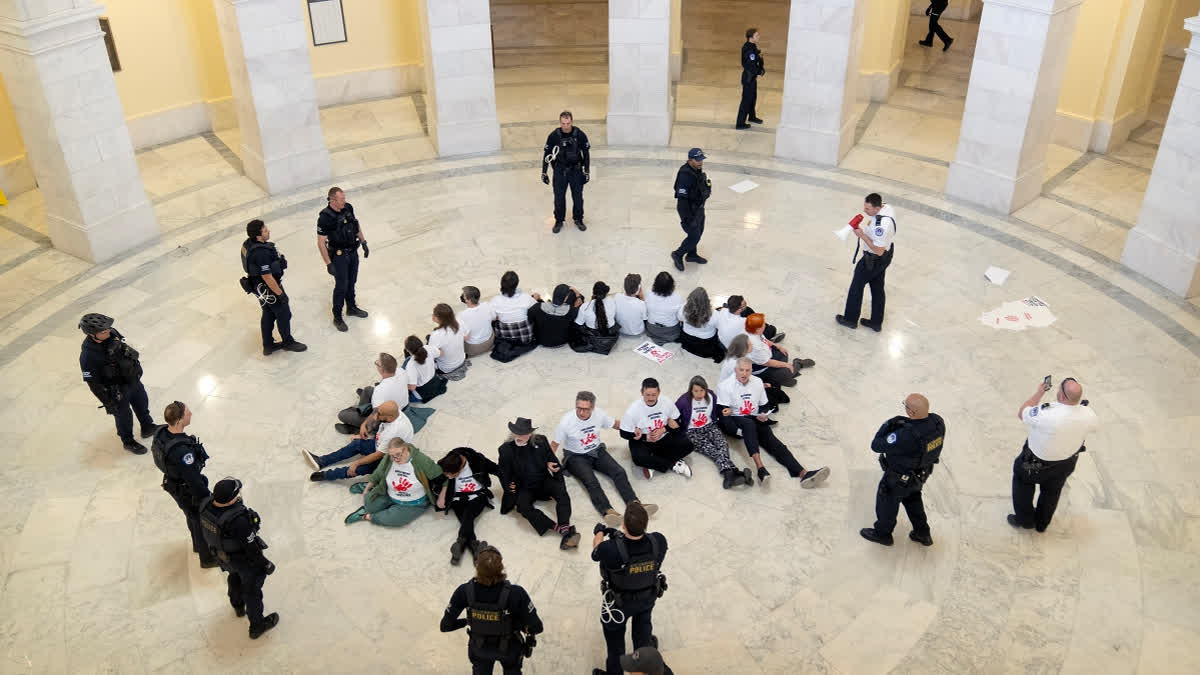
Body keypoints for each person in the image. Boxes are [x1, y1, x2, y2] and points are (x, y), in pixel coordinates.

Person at [717, 358, 830, 486]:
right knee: (748, 426)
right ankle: (761, 468)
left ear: (751, 370)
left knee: (774, 442)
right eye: (741, 370)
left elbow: (764, 405)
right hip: (734, 420)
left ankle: (803, 474)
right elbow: (723, 415)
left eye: (747, 370)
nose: (744, 373)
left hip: (753, 417)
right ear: (735, 370)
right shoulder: (725, 386)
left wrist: (763, 415)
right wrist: (739, 431)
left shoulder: (757, 382)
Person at [552, 391, 658, 526]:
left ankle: (635, 504)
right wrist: (548, 461)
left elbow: (615, 424)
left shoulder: (599, 414)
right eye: (579, 408)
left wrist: (633, 429)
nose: (581, 412)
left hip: (596, 451)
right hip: (575, 456)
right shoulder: (566, 421)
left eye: (585, 409)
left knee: (619, 471)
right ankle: (608, 511)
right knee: (591, 481)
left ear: (593, 408)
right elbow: (554, 445)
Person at [1009, 376, 1098, 532]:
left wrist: (1039, 393)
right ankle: (1042, 523)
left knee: (1022, 479)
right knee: (1052, 491)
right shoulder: (1089, 415)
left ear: (1062, 395)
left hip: (1035, 463)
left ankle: (1026, 520)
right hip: (1065, 464)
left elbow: (1022, 412)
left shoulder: (1046, 414)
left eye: (1060, 387)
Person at [441, 545, 544, 675]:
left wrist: (467, 621)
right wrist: (515, 624)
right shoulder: (516, 593)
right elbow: (537, 627)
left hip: (479, 649)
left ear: (477, 567)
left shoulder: (464, 591)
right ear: (501, 567)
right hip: (510, 649)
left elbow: (445, 626)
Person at [591, 503, 668, 675]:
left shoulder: (610, 549)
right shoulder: (659, 542)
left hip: (617, 605)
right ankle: (644, 657)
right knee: (643, 633)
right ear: (646, 524)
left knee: (615, 646)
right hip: (647, 598)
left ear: (624, 525)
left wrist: (599, 532)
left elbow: (596, 552)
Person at [860, 394, 946, 547]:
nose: (904, 408)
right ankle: (922, 533)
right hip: (921, 474)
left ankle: (882, 534)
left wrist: (887, 425)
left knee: (887, 502)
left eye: (905, 406)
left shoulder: (907, 434)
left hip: (898, 478)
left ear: (912, 413)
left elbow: (876, 445)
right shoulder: (938, 423)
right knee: (913, 499)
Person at [198, 477, 279, 639]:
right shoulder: (238, 520)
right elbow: (252, 549)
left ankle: (238, 605)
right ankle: (257, 625)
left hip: (222, 555)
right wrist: (266, 564)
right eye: (237, 493)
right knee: (252, 590)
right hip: (242, 559)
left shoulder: (205, 505)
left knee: (234, 576)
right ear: (231, 500)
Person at [78, 313, 159, 454]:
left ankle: (147, 426)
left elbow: (123, 345)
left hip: (132, 379)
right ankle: (128, 441)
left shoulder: (112, 332)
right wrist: (108, 403)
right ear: (92, 334)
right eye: (104, 331)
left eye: (108, 328)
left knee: (142, 403)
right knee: (124, 417)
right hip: (116, 390)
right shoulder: (87, 356)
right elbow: (93, 384)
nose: (108, 331)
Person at [498, 417, 581, 549]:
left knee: (562, 493)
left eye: (523, 434)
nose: (519, 436)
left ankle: (564, 526)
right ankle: (558, 529)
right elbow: (503, 472)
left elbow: (552, 460)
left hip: (543, 480)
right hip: (524, 486)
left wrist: (558, 481)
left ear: (530, 434)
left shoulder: (541, 441)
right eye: (516, 433)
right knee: (523, 507)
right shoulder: (505, 449)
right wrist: (508, 487)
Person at [151, 401, 217, 567]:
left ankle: (196, 545)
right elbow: (193, 480)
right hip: (186, 489)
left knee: (191, 516)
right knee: (200, 518)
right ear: (180, 420)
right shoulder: (182, 452)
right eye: (188, 412)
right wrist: (206, 499)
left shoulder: (161, 433)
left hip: (173, 485)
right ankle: (207, 558)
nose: (191, 413)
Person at [240, 219, 307, 355]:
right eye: (265, 230)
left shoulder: (249, 244)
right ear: (258, 235)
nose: (268, 231)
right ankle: (288, 342)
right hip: (268, 288)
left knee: (268, 314)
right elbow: (267, 276)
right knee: (284, 313)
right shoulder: (261, 253)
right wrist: (280, 294)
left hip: (258, 287)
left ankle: (268, 345)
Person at [305, 400, 412, 481]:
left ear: (389, 417)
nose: (376, 415)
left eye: (380, 414)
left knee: (355, 469)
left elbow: (378, 455)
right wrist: (364, 425)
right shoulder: (393, 411)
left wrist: (357, 463)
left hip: (388, 458)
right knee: (357, 444)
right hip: (380, 444)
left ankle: (326, 475)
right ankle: (322, 461)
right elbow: (376, 412)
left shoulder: (394, 431)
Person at [675, 376, 753, 489]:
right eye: (695, 391)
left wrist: (728, 410)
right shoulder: (684, 401)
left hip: (710, 426)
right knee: (711, 450)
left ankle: (731, 476)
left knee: (723, 445)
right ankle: (735, 473)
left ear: (706, 389)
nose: (699, 394)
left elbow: (719, 408)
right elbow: (673, 414)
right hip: (692, 432)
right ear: (690, 390)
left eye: (702, 390)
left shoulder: (711, 395)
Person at [837, 193, 897, 332]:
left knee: (856, 287)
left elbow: (878, 250)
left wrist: (862, 235)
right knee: (877, 288)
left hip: (873, 259)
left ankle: (850, 319)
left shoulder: (881, 225)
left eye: (868, 209)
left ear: (877, 208)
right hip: (886, 256)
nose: (865, 210)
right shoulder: (887, 207)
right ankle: (876, 322)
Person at [344, 438, 439, 527]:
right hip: (389, 493)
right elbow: (379, 472)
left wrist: (442, 497)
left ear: (406, 449)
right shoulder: (390, 458)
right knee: (369, 504)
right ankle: (370, 490)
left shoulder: (421, 460)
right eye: (393, 456)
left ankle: (366, 516)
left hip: (413, 503)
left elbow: (440, 475)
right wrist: (368, 488)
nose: (396, 459)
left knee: (395, 519)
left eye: (399, 454)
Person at [433, 447, 502, 565]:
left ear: (460, 468)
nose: (449, 477)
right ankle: (475, 549)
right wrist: (443, 491)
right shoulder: (447, 463)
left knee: (468, 516)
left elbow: (497, 470)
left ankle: (461, 544)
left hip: (477, 495)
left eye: (452, 475)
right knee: (466, 519)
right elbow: (438, 481)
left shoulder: (477, 460)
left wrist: (511, 484)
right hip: (457, 498)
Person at [619, 378, 694, 480]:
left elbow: (677, 420)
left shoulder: (666, 402)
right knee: (637, 458)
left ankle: (653, 463)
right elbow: (623, 433)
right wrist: (645, 437)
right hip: (644, 441)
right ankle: (673, 463)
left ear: (659, 392)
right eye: (647, 395)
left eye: (654, 395)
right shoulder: (633, 409)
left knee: (688, 445)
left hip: (664, 436)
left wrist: (664, 429)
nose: (650, 398)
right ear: (642, 392)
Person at [317, 186, 369, 332]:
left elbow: (356, 225)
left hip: (352, 252)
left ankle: (351, 307)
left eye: (344, 198)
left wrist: (363, 242)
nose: (344, 201)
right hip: (339, 256)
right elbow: (321, 242)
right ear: (332, 200)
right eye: (341, 199)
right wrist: (328, 263)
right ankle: (337, 317)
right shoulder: (324, 217)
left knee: (352, 281)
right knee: (341, 286)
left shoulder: (348, 208)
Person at [334, 352, 410, 434]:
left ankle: (356, 428)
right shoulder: (401, 371)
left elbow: (375, 416)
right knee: (368, 389)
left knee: (342, 415)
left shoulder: (380, 390)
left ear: (381, 369)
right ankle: (362, 410)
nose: (376, 363)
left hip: (388, 419)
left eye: (377, 363)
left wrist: (365, 424)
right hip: (401, 408)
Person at [542, 111, 591, 233]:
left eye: (568, 123)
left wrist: (587, 171)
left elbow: (586, 154)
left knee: (578, 197)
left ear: (572, 122)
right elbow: (547, 154)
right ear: (560, 122)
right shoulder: (554, 136)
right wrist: (544, 172)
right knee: (559, 198)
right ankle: (559, 220)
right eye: (563, 123)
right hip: (560, 171)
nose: (566, 126)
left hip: (576, 171)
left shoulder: (580, 135)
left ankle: (578, 219)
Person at [720, 334, 789, 411]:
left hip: (741, 382)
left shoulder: (740, 356)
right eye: (750, 344)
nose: (752, 345)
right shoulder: (736, 364)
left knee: (774, 385)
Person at [670, 148, 711, 271]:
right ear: (690, 160)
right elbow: (682, 200)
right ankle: (677, 254)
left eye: (701, 159)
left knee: (699, 231)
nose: (700, 162)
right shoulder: (685, 175)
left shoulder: (696, 169)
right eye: (697, 160)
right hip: (688, 210)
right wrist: (687, 218)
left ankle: (692, 254)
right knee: (694, 235)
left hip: (698, 208)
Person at [745, 313, 813, 387]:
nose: (765, 324)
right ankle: (798, 364)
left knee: (784, 354)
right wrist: (786, 365)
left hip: (768, 356)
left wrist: (777, 346)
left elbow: (764, 339)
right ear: (758, 328)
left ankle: (783, 376)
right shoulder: (755, 346)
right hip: (762, 369)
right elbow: (767, 363)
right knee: (787, 373)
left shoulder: (753, 331)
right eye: (763, 324)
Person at [491, 271, 542, 360]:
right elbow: (535, 309)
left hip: (504, 338)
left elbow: (492, 318)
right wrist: (535, 298)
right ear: (516, 284)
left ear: (501, 284)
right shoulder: (526, 298)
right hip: (525, 338)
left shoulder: (495, 300)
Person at [715, 294, 784, 348]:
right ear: (739, 309)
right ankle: (767, 342)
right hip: (738, 347)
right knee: (772, 330)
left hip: (723, 343)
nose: (746, 304)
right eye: (744, 305)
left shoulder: (722, 311)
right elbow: (755, 333)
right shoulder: (743, 321)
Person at [573, 281, 620, 355]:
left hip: (593, 334)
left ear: (593, 293)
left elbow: (578, 324)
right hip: (610, 332)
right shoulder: (612, 301)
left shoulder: (585, 307)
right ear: (606, 293)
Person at [678, 287, 723, 362]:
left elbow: (679, 318)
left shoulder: (683, 309)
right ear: (707, 300)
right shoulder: (714, 314)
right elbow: (719, 327)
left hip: (687, 337)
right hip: (706, 342)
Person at [528, 284, 581, 348]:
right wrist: (578, 295)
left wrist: (534, 299)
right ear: (566, 298)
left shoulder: (537, 307)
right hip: (562, 341)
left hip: (541, 341)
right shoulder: (573, 311)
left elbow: (529, 319)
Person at [430, 303, 470, 381]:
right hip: (461, 360)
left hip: (446, 368)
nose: (432, 316)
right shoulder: (459, 322)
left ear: (439, 319)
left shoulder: (436, 334)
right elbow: (466, 336)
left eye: (434, 315)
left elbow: (431, 355)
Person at [736, 28, 765, 129]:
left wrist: (760, 59)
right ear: (751, 37)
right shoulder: (748, 49)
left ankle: (752, 117)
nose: (759, 37)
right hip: (748, 78)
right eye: (757, 36)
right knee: (746, 100)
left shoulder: (752, 47)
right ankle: (740, 123)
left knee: (752, 98)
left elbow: (757, 61)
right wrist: (760, 71)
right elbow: (751, 66)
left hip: (752, 78)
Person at [404, 335, 447, 403]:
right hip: (435, 383)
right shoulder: (428, 348)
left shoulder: (411, 365)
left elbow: (412, 387)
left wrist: (403, 384)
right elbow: (441, 353)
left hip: (423, 393)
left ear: (408, 350)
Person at [644, 271, 684, 344]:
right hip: (671, 330)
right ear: (672, 285)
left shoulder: (648, 293)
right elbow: (680, 317)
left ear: (655, 283)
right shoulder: (678, 297)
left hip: (652, 328)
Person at [460, 286, 498, 357]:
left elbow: (464, 336)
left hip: (473, 348)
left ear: (468, 300)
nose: (462, 296)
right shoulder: (487, 305)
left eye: (464, 296)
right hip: (489, 342)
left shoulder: (462, 315)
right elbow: (495, 318)